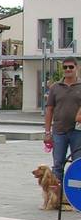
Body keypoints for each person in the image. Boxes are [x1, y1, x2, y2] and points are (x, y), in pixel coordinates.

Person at [44, 56, 81, 185]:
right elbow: (49, 110)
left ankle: (74, 197)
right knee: (58, 164)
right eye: (65, 67)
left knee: (77, 165)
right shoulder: (55, 87)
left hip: (78, 132)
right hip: (59, 131)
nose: (68, 69)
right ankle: (56, 196)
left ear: (77, 68)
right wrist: (47, 132)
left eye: (71, 67)